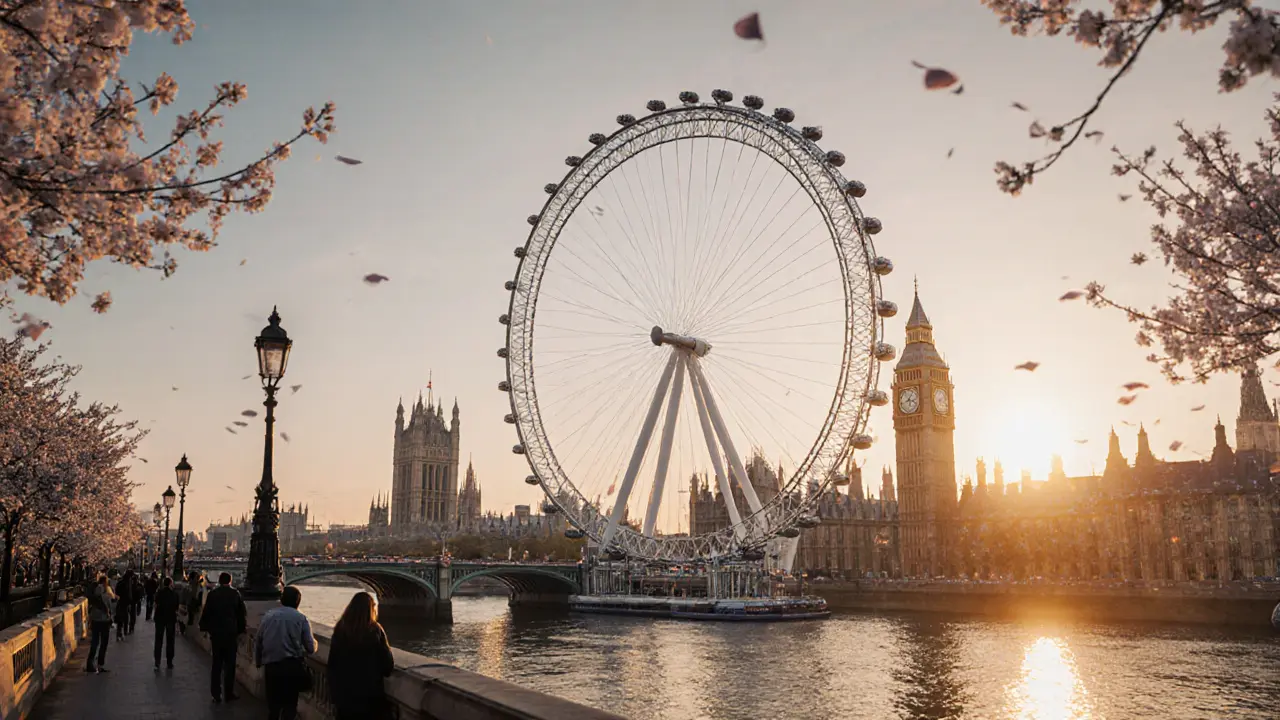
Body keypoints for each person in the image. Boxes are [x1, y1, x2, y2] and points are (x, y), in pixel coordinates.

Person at [327, 592, 395, 720]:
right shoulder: (375, 631)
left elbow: (332, 665)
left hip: (344, 697)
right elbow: (388, 666)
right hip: (369, 697)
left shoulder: (340, 629)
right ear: (371, 609)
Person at [255, 587, 316, 720]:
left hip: (271, 667)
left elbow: (258, 641)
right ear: (298, 601)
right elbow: (310, 648)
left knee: (273, 707)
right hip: (291, 667)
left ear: (282, 600)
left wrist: (258, 661)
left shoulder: (268, 616)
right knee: (290, 706)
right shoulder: (301, 619)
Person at [198, 572, 246, 703]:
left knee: (216, 664)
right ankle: (228, 692)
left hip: (217, 634)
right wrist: (240, 630)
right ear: (230, 581)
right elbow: (241, 615)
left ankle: (216, 693)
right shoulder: (235, 594)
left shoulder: (213, 594)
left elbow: (206, 612)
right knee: (230, 665)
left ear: (219, 581)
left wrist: (204, 628)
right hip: (230, 634)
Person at [84, 574, 116, 673]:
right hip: (105, 621)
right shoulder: (107, 592)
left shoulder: (95, 593)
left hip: (95, 619)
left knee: (94, 642)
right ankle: (100, 665)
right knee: (103, 643)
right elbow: (111, 605)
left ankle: (90, 664)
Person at [152, 576, 179, 670]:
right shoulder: (174, 594)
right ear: (171, 583)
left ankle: (157, 662)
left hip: (160, 619)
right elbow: (176, 608)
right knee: (170, 641)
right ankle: (169, 662)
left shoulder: (159, 593)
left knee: (158, 640)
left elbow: (155, 604)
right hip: (170, 619)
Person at [113, 570, 134, 640]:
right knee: (124, 618)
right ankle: (123, 632)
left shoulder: (122, 582)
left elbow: (117, 591)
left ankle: (120, 633)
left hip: (121, 602)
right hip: (125, 602)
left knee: (121, 618)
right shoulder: (127, 582)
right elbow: (129, 593)